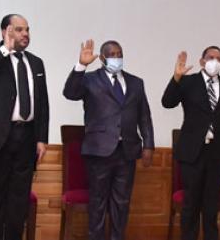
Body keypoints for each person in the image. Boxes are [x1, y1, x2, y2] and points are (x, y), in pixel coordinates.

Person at [63, 39, 155, 240]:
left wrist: (148, 145)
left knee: (121, 203)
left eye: (119, 54)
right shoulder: (89, 79)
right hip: (99, 151)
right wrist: (81, 65)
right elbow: (69, 93)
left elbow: (144, 116)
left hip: (127, 151)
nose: (116, 58)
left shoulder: (136, 83)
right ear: (102, 58)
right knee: (98, 202)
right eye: (112, 54)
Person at [0, 14, 50, 240]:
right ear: (6, 31)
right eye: (20, 29)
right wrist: (4, 50)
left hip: (27, 138)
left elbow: (42, 103)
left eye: (28, 30)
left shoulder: (36, 62)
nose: (26, 34)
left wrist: (41, 138)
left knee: (18, 201)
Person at [162, 46, 220, 240]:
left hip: (218, 155)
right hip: (192, 153)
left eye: (219, 59)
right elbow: (167, 102)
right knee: (190, 205)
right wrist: (176, 78)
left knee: (211, 206)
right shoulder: (188, 82)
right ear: (201, 61)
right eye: (210, 57)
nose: (214, 61)